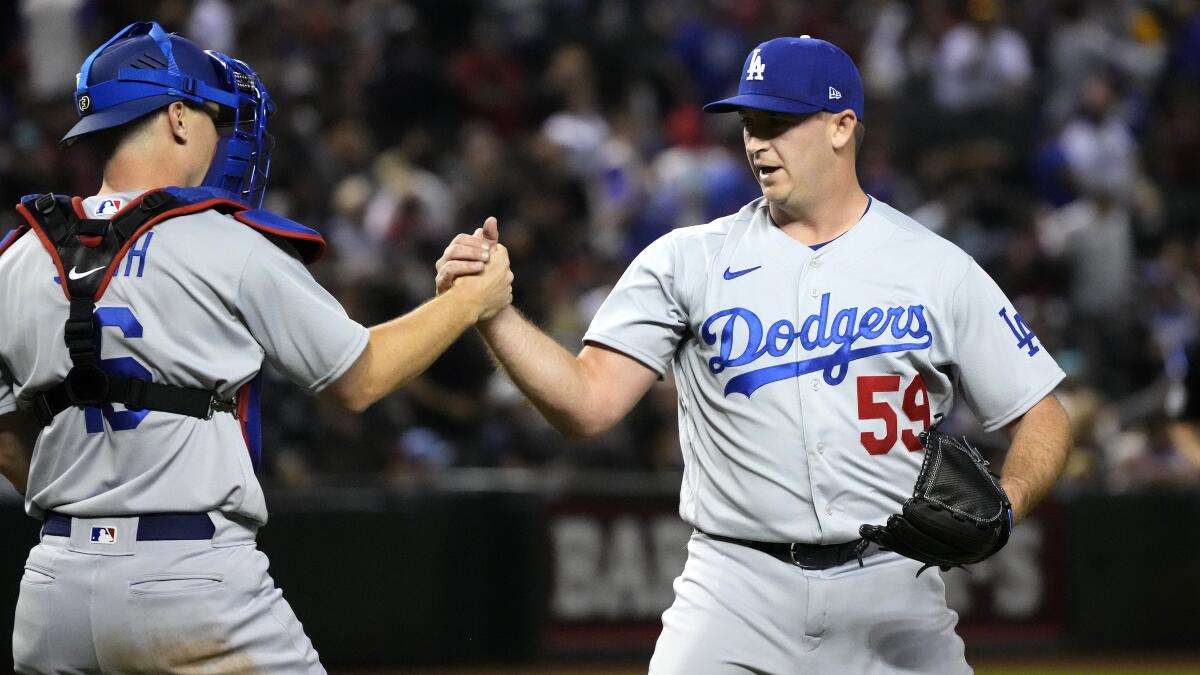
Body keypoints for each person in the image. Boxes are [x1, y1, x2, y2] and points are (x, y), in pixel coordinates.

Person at [436, 36, 1071, 673]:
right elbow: (588, 403)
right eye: (748, 123)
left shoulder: (936, 268)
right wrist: (493, 315)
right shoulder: (687, 260)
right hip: (734, 589)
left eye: (778, 122)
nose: (756, 142)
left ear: (841, 127)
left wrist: (1007, 502)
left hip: (894, 590)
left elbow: (1042, 414)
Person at [0, 22, 511, 674]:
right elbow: (360, 376)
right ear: (178, 117)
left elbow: (9, 443)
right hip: (189, 577)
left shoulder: (15, 258)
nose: (225, 133)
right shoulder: (226, 241)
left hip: (54, 590)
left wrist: (95, 510)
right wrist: (470, 301)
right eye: (215, 115)